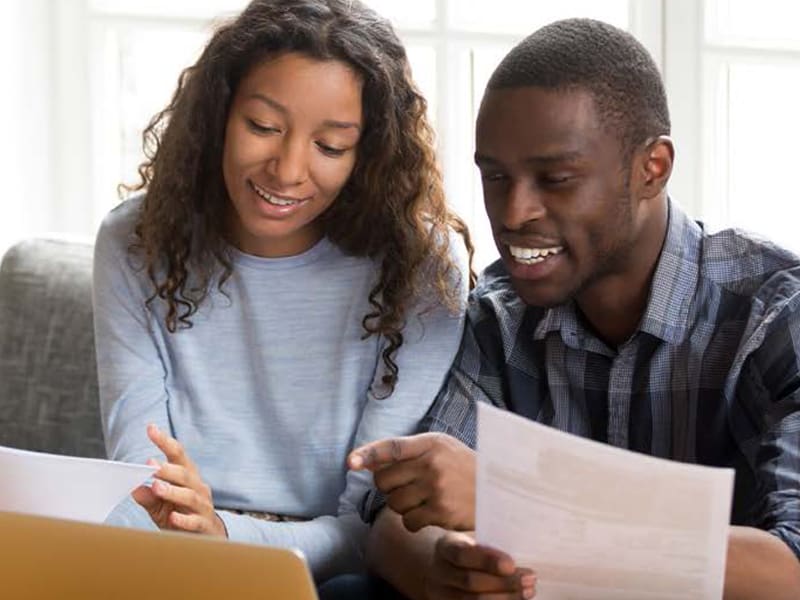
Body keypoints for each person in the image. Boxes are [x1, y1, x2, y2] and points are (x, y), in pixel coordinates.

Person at [346, 18, 800, 600]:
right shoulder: (498, 319)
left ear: (651, 168)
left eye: (556, 179)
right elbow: (391, 523)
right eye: (496, 177)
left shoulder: (775, 314)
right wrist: (444, 565)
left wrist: (521, 508)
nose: (514, 213)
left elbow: (789, 567)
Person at [91, 0, 472, 584]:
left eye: (330, 147)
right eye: (263, 128)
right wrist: (185, 528)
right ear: (219, 115)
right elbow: (140, 482)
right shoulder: (135, 241)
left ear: (366, 154)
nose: (288, 170)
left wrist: (222, 534)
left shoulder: (420, 265)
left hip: (330, 571)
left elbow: (369, 527)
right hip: (169, 555)